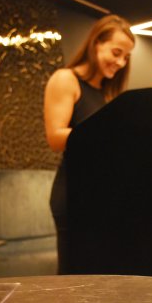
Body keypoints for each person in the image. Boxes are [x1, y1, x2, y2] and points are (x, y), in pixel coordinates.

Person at [43, 14, 135, 274]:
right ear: (96, 44)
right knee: (74, 279)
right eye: (116, 53)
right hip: (74, 195)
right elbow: (55, 137)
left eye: (126, 57)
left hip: (99, 197)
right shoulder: (66, 79)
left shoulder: (106, 94)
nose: (120, 62)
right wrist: (105, 134)